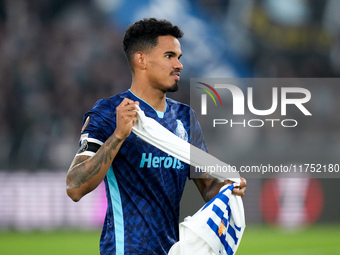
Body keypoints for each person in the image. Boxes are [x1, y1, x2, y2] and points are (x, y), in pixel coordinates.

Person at [66, 18, 246, 255]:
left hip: (172, 251)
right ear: (141, 60)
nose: (179, 65)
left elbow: (207, 185)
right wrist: (118, 136)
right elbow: (75, 187)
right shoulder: (109, 113)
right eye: (169, 56)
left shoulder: (184, 117)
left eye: (179, 57)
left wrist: (227, 187)